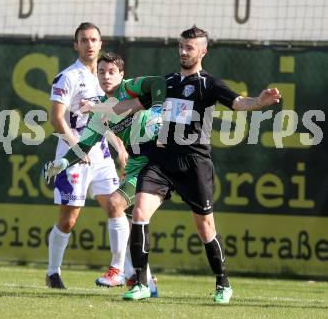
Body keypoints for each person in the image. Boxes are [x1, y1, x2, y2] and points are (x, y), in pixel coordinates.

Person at [123, 26, 282, 303]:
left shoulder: (209, 84)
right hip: (161, 160)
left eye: (190, 48)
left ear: (203, 51)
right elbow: (134, 105)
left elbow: (238, 103)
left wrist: (260, 101)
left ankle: (223, 283)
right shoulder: (167, 81)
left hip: (194, 163)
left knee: (205, 227)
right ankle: (141, 282)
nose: (184, 52)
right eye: (181, 46)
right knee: (138, 212)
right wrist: (98, 107)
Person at [44, 52, 166, 296]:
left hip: (157, 164)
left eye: (112, 72)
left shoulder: (130, 88)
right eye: (101, 72)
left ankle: (117, 271)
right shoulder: (100, 109)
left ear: (122, 74)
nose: (106, 76)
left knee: (115, 204)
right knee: (134, 221)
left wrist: (158, 110)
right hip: (137, 168)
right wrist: (62, 162)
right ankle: (147, 282)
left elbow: (160, 83)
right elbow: (85, 145)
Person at [45, 22, 127, 289]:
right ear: (76, 45)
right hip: (73, 156)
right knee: (68, 220)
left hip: (101, 155)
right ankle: (53, 272)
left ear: (100, 44)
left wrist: (120, 147)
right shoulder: (68, 77)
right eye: (84, 40)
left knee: (117, 206)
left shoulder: (106, 77)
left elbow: (105, 118)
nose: (89, 44)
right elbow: (56, 118)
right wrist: (77, 148)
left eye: (94, 39)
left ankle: (122, 270)